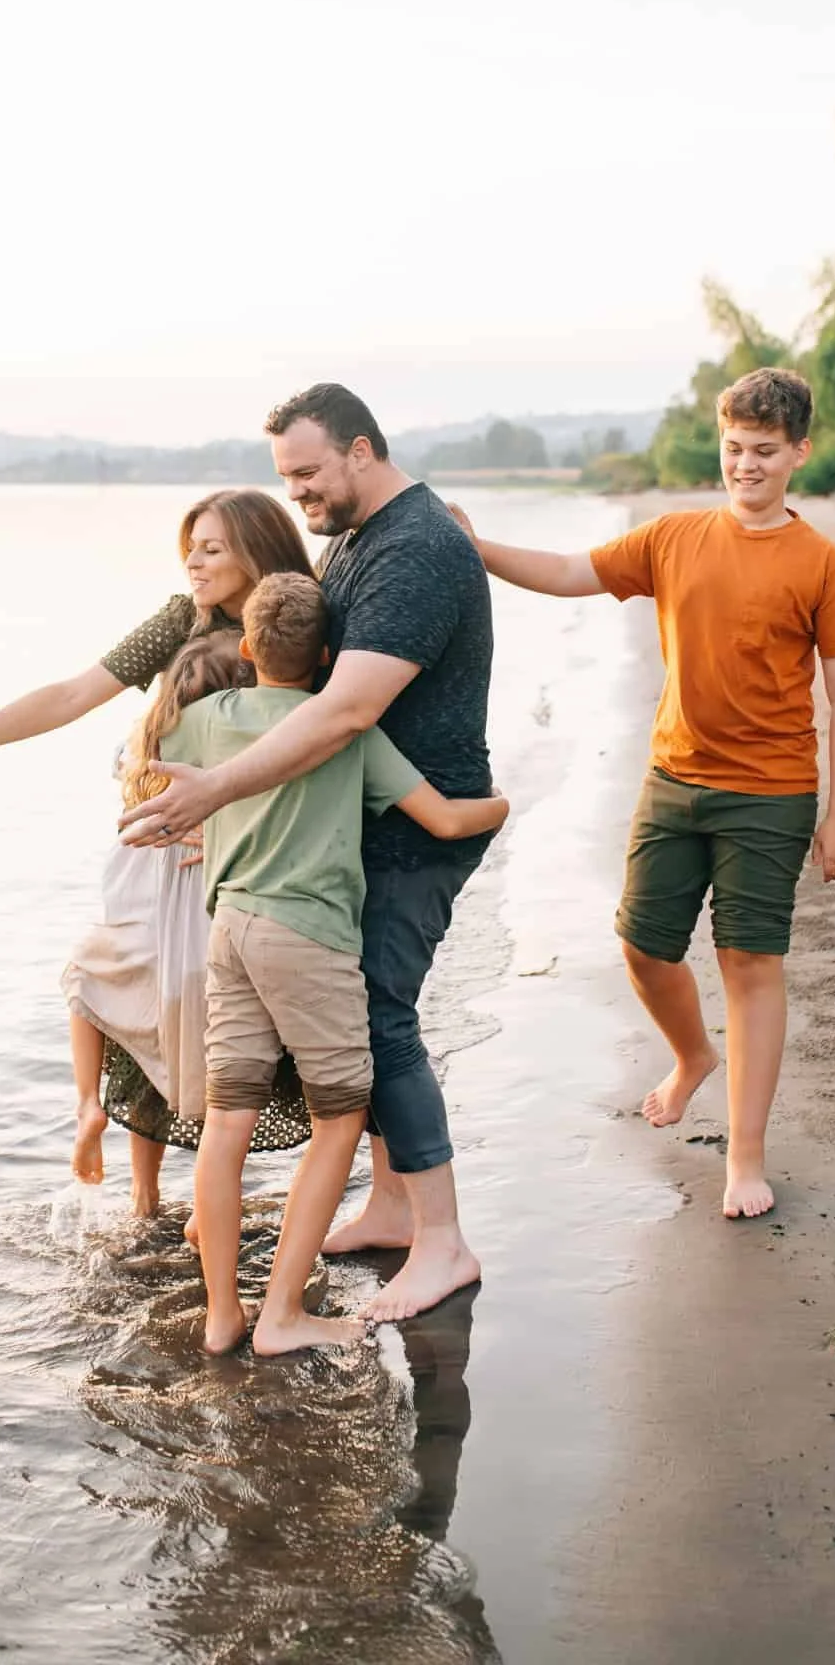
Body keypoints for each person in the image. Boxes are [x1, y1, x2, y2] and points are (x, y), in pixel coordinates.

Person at [455, 366, 835, 1219]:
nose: (744, 466)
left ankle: (743, 1159)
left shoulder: (822, 564)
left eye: (762, 451)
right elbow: (572, 570)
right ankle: (690, 1057)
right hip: (674, 779)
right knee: (642, 947)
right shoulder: (674, 537)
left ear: (799, 452)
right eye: (731, 448)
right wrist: (478, 549)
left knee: (749, 962)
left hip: (771, 793)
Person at [121, 385, 496, 1324]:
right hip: (376, 820)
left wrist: (216, 789)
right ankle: (393, 1204)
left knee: (382, 1021)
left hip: (417, 820)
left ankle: (441, 1240)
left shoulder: (411, 549)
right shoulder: (366, 536)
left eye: (308, 474)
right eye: (285, 478)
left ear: (362, 450)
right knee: (368, 1021)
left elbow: (345, 708)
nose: (297, 496)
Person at [0, 489, 315, 1211]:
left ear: (256, 551)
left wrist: (237, 826)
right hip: (157, 846)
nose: (193, 559)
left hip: (239, 862)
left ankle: (217, 1205)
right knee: (145, 1006)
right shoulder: (179, 620)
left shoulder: (296, 629)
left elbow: (319, 740)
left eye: (212, 547)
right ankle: (145, 1201)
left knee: (224, 1028)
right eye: (191, 544)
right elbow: (71, 693)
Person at [165, 574, 508, 1353]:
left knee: (227, 1121)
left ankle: (223, 1314)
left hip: (230, 928)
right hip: (307, 937)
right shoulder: (346, 729)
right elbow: (446, 818)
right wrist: (503, 805)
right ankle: (280, 1315)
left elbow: (149, 758)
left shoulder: (206, 718)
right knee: (339, 1115)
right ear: (327, 658)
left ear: (248, 648)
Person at [61, 627, 258, 1190]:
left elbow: (118, 760)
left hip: (134, 929)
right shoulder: (232, 759)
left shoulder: (143, 748)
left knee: (92, 995)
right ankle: (209, 1204)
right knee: (215, 1078)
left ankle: (107, 1138)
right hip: (199, 935)